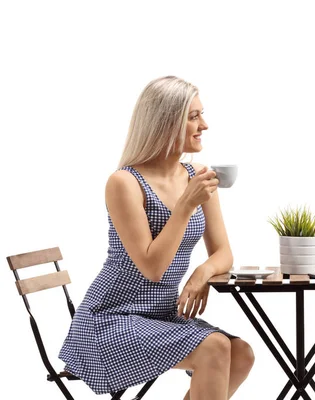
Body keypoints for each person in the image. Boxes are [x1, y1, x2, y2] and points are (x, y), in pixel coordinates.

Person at [59, 76, 254, 400]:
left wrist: (201, 274)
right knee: (216, 347)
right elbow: (153, 268)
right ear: (166, 122)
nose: (204, 124)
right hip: (110, 319)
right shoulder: (124, 183)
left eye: (201, 114)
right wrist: (185, 205)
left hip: (160, 315)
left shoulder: (198, 176)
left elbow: (223, 252)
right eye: (193, 116)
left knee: (242, 353)